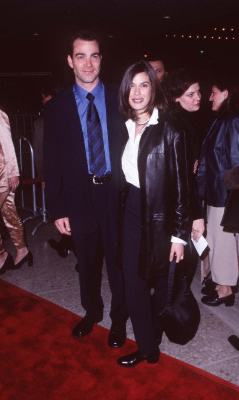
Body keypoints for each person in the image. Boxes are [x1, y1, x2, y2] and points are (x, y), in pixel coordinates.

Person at [44, 30, 128, 348]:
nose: (88, 63)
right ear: (70, 61)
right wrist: (57, 208)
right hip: (79, 199)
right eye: (81, 56)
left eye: (94, 55)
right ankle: (92, 312)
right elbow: (51, 162)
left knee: (119, 264)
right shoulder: (57, 108)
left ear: (101, 59)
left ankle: (119, 319)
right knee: (87, 263)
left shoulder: (122, 100)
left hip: (117, 195)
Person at [117, 61, 190, 367]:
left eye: (144, 84)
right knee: (133, 283)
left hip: (161, 218)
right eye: (132, 85)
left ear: (153, 88)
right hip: (131, 212)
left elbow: (183, 187)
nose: (137, 91)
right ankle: (147, 346)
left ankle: (155, 335)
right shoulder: (122, 125)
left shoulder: (170, 129)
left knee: (161, 285)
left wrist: (179, 236)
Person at [197, 74, 239, 306]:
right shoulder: (222, 120)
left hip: (225, 195)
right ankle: (221, 284)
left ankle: (225, 289)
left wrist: (229, 192)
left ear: (227, 93)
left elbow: (235, 161)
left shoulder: (232, 121)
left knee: (222, 244)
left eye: (213, 91)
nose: (209, 97)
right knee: (217, 241)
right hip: (217, 192)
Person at [163, 68, 205, 284]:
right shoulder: (180, 126)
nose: (198, 97)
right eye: (191, 94)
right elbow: (186, 179)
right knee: (180, 268)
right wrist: (196, 214)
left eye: (198, 92)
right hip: (181, 206)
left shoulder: (179, 121)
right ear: (176, 98)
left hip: (173, 205)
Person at [0, 108, 32, 273]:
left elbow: (7, 144)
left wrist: (13, 172)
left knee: (9, 213)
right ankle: (22, 249)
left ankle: (1, 256)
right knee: (9, 212)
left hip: (3, 174)